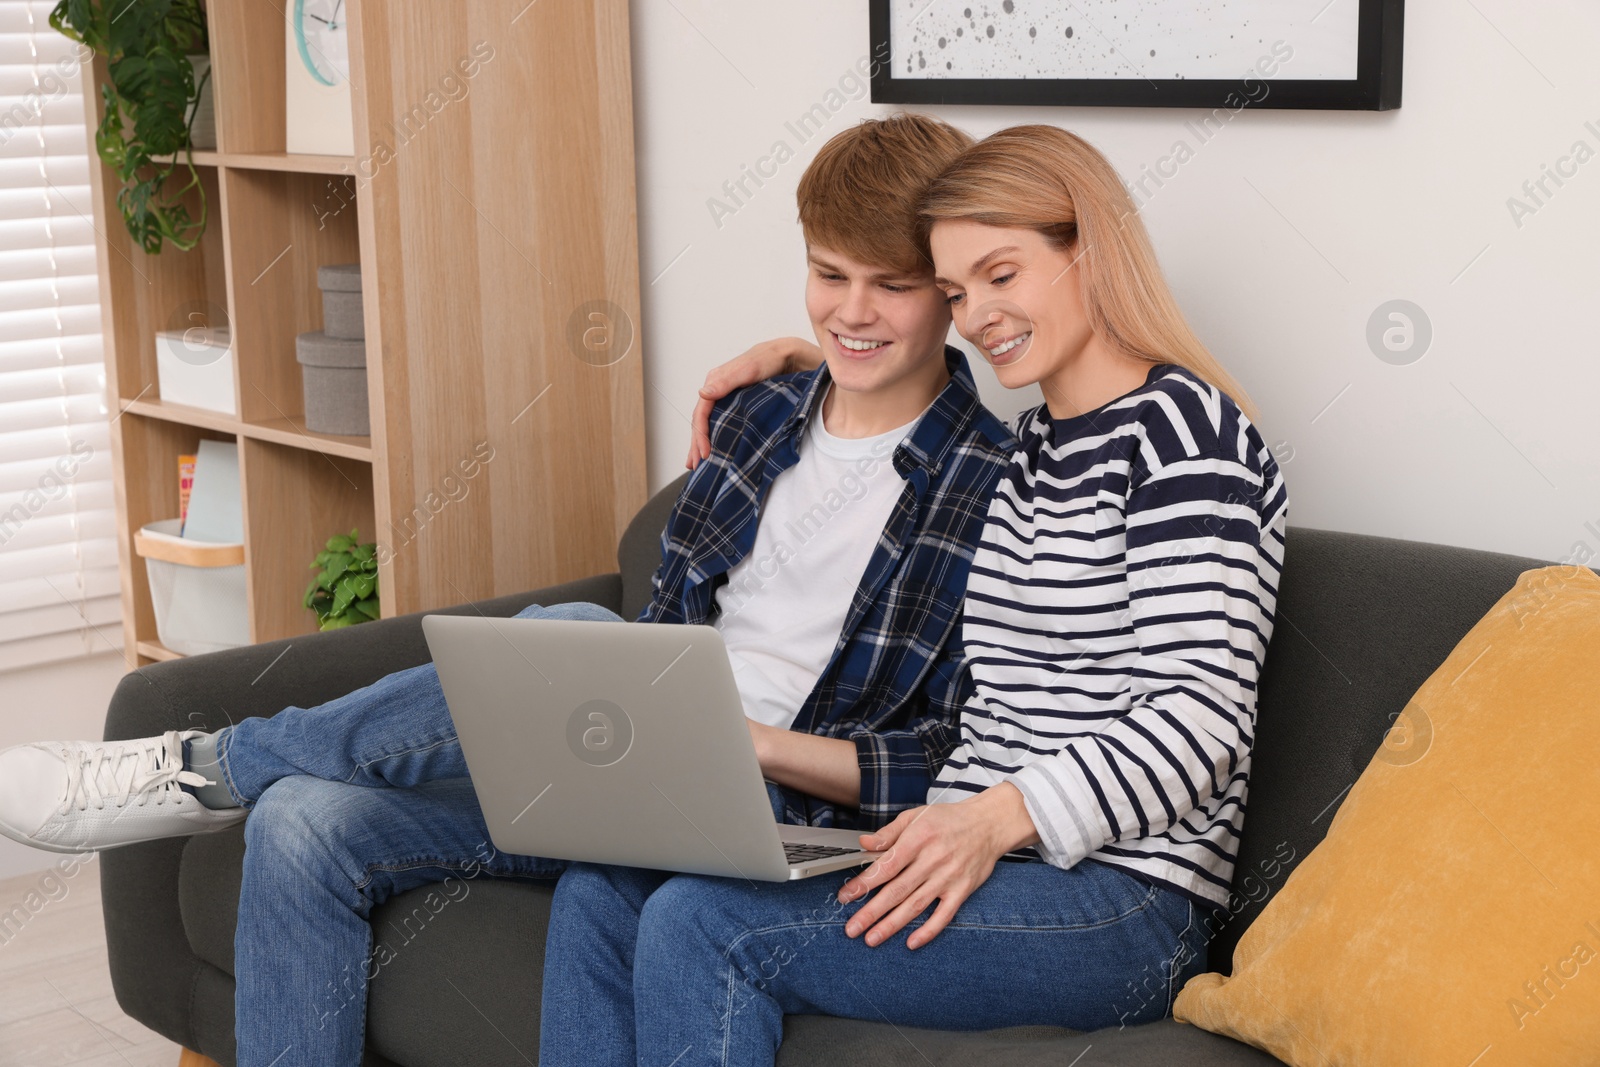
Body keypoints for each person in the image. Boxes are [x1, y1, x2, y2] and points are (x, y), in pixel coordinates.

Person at [0, 114, 1019, 1067]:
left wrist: (737, 739)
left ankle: (207, 767)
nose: (850, 310)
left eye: (889, 284)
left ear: (951, 289)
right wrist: (638, 705)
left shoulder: (994, 486)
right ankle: (229, 774)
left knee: (574, 627)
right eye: (827, 273)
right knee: (306, 817)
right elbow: (668, 621)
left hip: (774, 801)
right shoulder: (759, 412)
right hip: (630, 753)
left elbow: (939, 754)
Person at [536, 124, 1289, 1067]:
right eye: (957, 291)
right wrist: (804, 366)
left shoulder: (1183, 434)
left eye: (1002, 275)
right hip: (964, 849)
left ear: (1086, 250)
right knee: (605, 885)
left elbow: (1199, 720)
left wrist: (993, 817)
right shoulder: (1032, 458)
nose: (978, 317)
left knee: (704, 922)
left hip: (1118, 897)